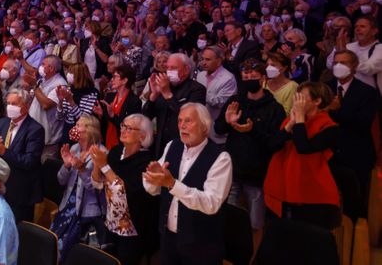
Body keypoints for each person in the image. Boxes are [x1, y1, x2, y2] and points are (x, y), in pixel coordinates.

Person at [143, 103, 233, 265]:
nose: (182, 126)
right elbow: (154, 190)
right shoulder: (172, 146)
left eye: (188, 121)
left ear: (204, 125)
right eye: (179, 121)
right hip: (169, 238)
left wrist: (172, 184)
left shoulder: (221, 158)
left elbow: (211, 203)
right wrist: (153, 179)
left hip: (202, 245)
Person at [215, 59, 285, 237]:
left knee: (255, 225)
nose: (248, 79)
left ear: (263, 78)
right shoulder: (235, 101)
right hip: (233, 170)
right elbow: (218, 128)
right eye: (245, 76)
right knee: (227, 220)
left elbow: (275, 143)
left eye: (253, 76)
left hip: (257, 174)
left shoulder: (274, 108)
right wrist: (229, 123)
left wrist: (253, 130)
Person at [264, 82, 341, 229]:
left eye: (301, 98)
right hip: (282, 186)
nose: (296, 102)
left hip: (312, 195)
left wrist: (299, 119)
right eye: (296, 97)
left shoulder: (329, 127)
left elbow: (303, 147)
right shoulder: (291, 122)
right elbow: (272, 146)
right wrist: (291, 124)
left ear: (317, 101)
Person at [90, 114, 158, 265]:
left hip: (133, 227)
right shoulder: (115, 152)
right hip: (111, 221)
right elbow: (98, 183)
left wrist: (104, 165)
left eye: (129, 128)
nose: (123, 130)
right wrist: (96, 163)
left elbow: (124, 191)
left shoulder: (147, 161)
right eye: (123, 126)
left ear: (142, 136)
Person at [51, 114, 106, 262]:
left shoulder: (101, 153)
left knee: (71, 255)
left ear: (88, 129)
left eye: (78, 125)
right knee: (54, 247)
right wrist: (67, 165)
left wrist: (82, 170)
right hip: (67, 206)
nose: (74, 128)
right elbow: (61, 180)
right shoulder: (74, 148)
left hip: (86, 211)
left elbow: (96, 188)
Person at [327, 49, 378, 210]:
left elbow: (362, 124)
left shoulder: (367, 92)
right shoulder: (324, 88)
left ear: (354, 66)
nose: (339, 66)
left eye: (344, 62)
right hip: (328, 154)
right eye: (336, 63)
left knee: (355, 203)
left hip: (356, 154)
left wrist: (336, 111)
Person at [0, 88, 44, 221]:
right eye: (8, 103)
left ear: (26, 106)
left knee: (16, 230)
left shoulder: (35, 129)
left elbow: (29, 161)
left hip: (20, 190)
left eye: (14, 104)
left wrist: (3, 151)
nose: (10, 107)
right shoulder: (3, 122)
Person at [143, 53, 206, 156]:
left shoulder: (197, 89)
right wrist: (153, 96)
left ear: (186, 70)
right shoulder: (164, 88)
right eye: (168, 68)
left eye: (174, 68)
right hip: (161, 145)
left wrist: (168, 94)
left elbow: (189, 117)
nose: (169, 71)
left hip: (183, 145)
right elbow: (146, 116)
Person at [25, 55, 67, 161]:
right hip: (34, 133)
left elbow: (46, 105)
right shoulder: (42, 80)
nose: (40, 66)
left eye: (43, 64)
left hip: (48, 139)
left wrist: (34, 86)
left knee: (45, 171)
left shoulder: (60, 85)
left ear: (52, 68)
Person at [94, 63, 142, 151]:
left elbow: (129, 128)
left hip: (123, 145)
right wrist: (101, 115)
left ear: (124, 81)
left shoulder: (134, 101)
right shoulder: (109, 96)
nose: (112, 80)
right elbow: (106, 123)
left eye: (115, 77)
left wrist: (113, 116)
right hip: (106, 142)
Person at [195, 46, 237, 145]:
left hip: (216, 132)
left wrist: (198, 94)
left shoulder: (228, 78)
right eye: (203, 59)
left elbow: (221, 102)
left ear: (218, 61)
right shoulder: (200, 75)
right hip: (199, 129)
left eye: (208, 59)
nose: (203, 62)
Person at [56, 62, 100, 144]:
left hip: (84, 134)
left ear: (79, 75)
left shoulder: (92, 94)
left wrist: (71, 102)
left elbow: (84, 120)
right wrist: (60, 101)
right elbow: (59, 117)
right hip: (67, 132)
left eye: (71, 72)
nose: (68, 74)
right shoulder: (68, 90)